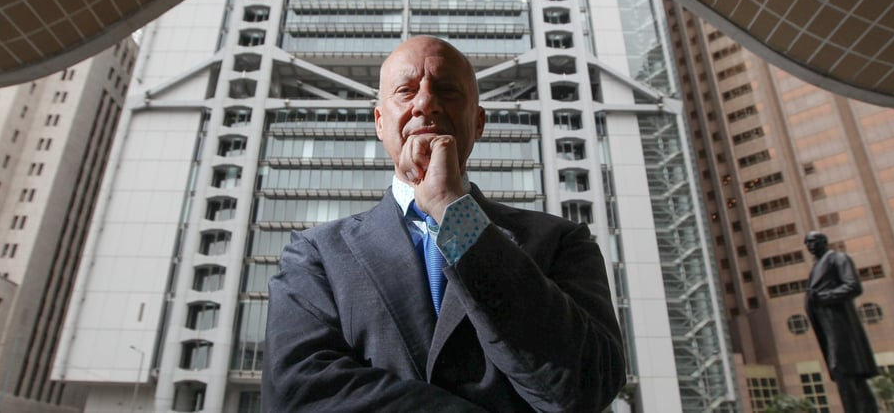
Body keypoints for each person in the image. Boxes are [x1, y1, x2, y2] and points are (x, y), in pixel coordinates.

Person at [264, 36, 626, 411]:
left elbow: (588, 383)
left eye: (447, 90)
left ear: (479, 121)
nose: (424, 103)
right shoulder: (316, 253)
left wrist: (453, 210)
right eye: (405, 91)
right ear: (379, 122)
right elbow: (298, 390)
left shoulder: (560, 241)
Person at [804, 231, 878, 413]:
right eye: (807, 243)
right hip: (826, 323)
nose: (810, 246)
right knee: (844, 373)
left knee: (845, 370)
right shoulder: (817, 265)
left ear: (824, 241)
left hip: (840, 324)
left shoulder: (838, 258)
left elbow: (853, 286)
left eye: (814, 241)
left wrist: (825, 296)